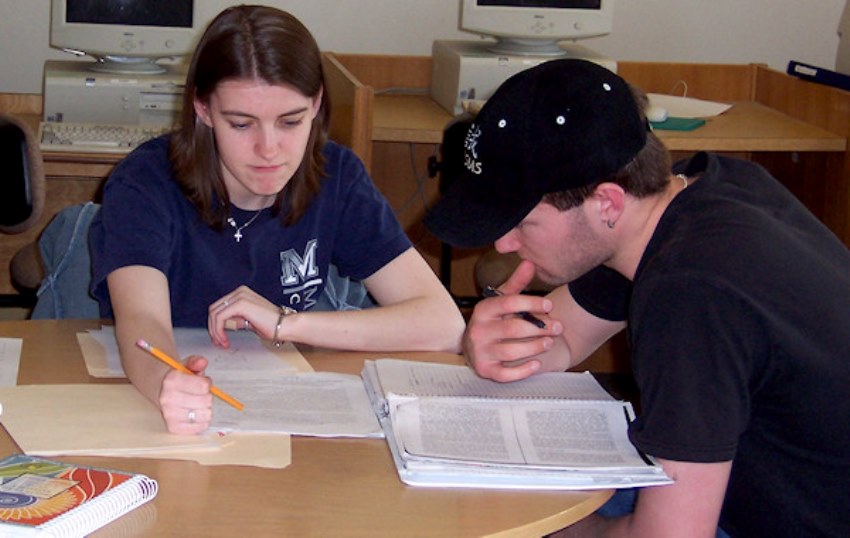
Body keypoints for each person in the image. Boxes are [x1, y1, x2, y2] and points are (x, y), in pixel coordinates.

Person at [423, 59, 850, 537]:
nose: (502, 244)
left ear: (607, 201)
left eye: (522, 222)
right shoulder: (695, 194)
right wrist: (497, 344)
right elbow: (560, 342)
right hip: (743, 489)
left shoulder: (690, 291)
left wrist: (545, 531)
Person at [89, 5, 464, 435]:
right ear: (204, 110)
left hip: (283, 413)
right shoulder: (146, 181)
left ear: (317, 104)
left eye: (290, 122)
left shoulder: (336, 176)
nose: (269, 149)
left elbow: (444, 323)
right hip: (169, 405)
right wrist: (167, 385)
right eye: (241, 124)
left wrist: (288, 323)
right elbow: (142, 323)